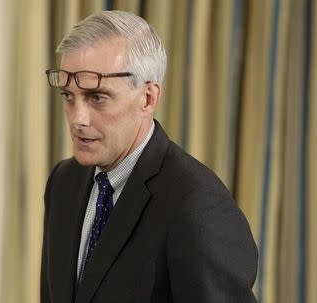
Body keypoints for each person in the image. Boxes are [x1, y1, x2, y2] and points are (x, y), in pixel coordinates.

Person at [41, 10, 257, 303]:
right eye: (69, 96)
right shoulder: (63, 183)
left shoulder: (197, 205)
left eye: (97, 98)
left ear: (148, 98)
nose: (78, 118)